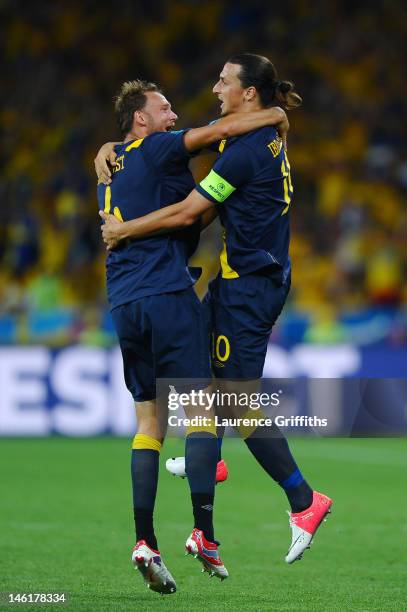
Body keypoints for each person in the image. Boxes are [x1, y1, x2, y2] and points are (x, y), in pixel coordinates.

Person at [99, 54, 333, 566]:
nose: (214, 88)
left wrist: (122, 229)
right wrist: (112, 146)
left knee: (232, 403)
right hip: (236, 279)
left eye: (224, 82)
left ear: (249, 93)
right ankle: (211, 460)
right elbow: (191, 141)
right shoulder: (247, 135)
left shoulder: (242, 153)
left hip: (251, 285)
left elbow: (191, 213)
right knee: (205, 386)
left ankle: (303, 500)